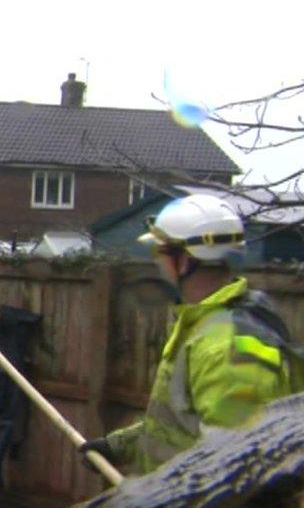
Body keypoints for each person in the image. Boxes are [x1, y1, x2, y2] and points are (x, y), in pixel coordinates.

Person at [81, 194, 304, 475]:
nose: (157, 263)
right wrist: (118, 446)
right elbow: (181, 425)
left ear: (185, 261)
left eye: (160, 253)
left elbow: (232, 473)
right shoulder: (205, 324)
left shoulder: (226, 349)